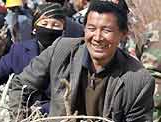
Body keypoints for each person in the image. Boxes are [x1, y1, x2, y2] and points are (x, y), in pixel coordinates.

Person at [9, 0, 155, 121]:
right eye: (91, 28)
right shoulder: (61, 50)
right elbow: (20, 85)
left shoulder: (138, 80)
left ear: (123, 35)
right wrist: (21, 117)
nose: (97, 37)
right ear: (84, 29)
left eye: (106, 30)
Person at [0, 2, 84, 114]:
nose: (49, 29)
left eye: (56, 25)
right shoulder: (19, 50)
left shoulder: (70, 55)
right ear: (34, 28)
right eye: (44, 24)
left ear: (63, 31)